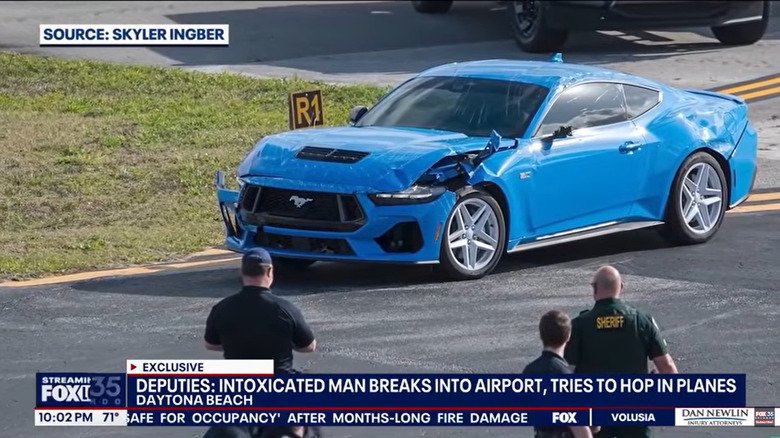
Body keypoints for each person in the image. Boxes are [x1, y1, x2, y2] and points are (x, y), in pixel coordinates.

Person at [564, 266, 678, 438]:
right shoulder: (641, 321)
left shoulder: (579, 325)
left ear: (594, 288)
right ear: (621, 287)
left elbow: (566, 376)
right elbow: (667, 368)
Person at [204, 248, 317, 372]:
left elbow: (210, 344)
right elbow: (309, 346)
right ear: (269, 271)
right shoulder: (285, 308)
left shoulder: (221, 308)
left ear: (242, 272)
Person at [523, 310, 593, 438]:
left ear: (541, 335)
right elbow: (580, 428)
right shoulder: (565, 376)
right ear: (568, 336)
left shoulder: (530, 371)